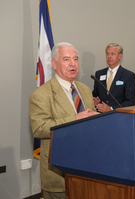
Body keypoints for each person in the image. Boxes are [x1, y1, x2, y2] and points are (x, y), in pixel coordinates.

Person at [29, 42, 99, 199]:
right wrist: (75, 118)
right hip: (59, 172)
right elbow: (39, 128)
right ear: (54, 63)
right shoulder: (41, 94)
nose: (73, 63)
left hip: (90, 168)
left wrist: (98, 119)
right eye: (66, 59)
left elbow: (91, 120)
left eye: (75, 59)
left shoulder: (85, 89)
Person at [92, 43, 135, 112]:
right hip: (100, 116)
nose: (109, 56)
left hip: (118, 116)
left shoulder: (128, 75)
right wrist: (95, 101)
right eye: (107, 54)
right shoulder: (99, 74)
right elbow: (95, 94)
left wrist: (111, 109)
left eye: (112, 54)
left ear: (120, 56)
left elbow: (130, 102)